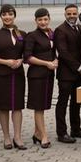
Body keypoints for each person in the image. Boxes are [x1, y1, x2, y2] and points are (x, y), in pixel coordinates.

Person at [0, 4, 27, 150]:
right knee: (3, 107)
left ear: (14, 16)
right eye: (4, 14)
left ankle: (17, 136)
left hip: (18, 74)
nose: (7, 17)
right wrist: (6, 62)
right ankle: (6, 137)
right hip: (0, 75)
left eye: (10, 14)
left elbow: (26, 54)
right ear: (1, 17)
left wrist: (21, 61)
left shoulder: (22, 33)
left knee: (17, 106)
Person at [53, 4, 81, 144]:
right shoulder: (60, 30)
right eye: (69, 14)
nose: (72, 16)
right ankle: (61, 133)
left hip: (79, 73)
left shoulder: (80, 28)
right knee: (62, 103)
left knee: (76, 102)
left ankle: (76, 129)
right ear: (65, 15)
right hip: (66, 74)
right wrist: (79, 67)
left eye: (74, 13)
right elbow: (63, 52)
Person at [24, 8, 58, 148]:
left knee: (43, 105)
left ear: (49, 19)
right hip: (36, 75)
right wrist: (47, 63)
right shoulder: (32, 36)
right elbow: (27, 57)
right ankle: (44, 136)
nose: (43, 22)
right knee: (38, 107)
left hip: (48, 75)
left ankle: (37, 133)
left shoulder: (51, 34)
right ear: (36, 21)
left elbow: (52, 52)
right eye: (40, 20)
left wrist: (55, 60)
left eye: (45, 19)